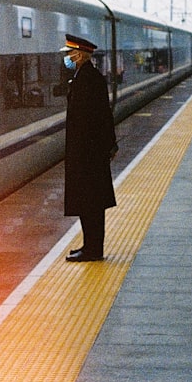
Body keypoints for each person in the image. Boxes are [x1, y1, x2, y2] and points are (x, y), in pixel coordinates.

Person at [61, 33, 118, 261]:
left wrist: (104, 148)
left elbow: (94, 119)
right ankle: (89, 246)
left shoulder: (88, 79)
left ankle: (93, 250)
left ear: (80, 54)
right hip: (89, 154)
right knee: (89, 204)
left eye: (70, 53)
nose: (67, 57)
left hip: (88, 155)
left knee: (90, 204)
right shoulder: (85, 76)